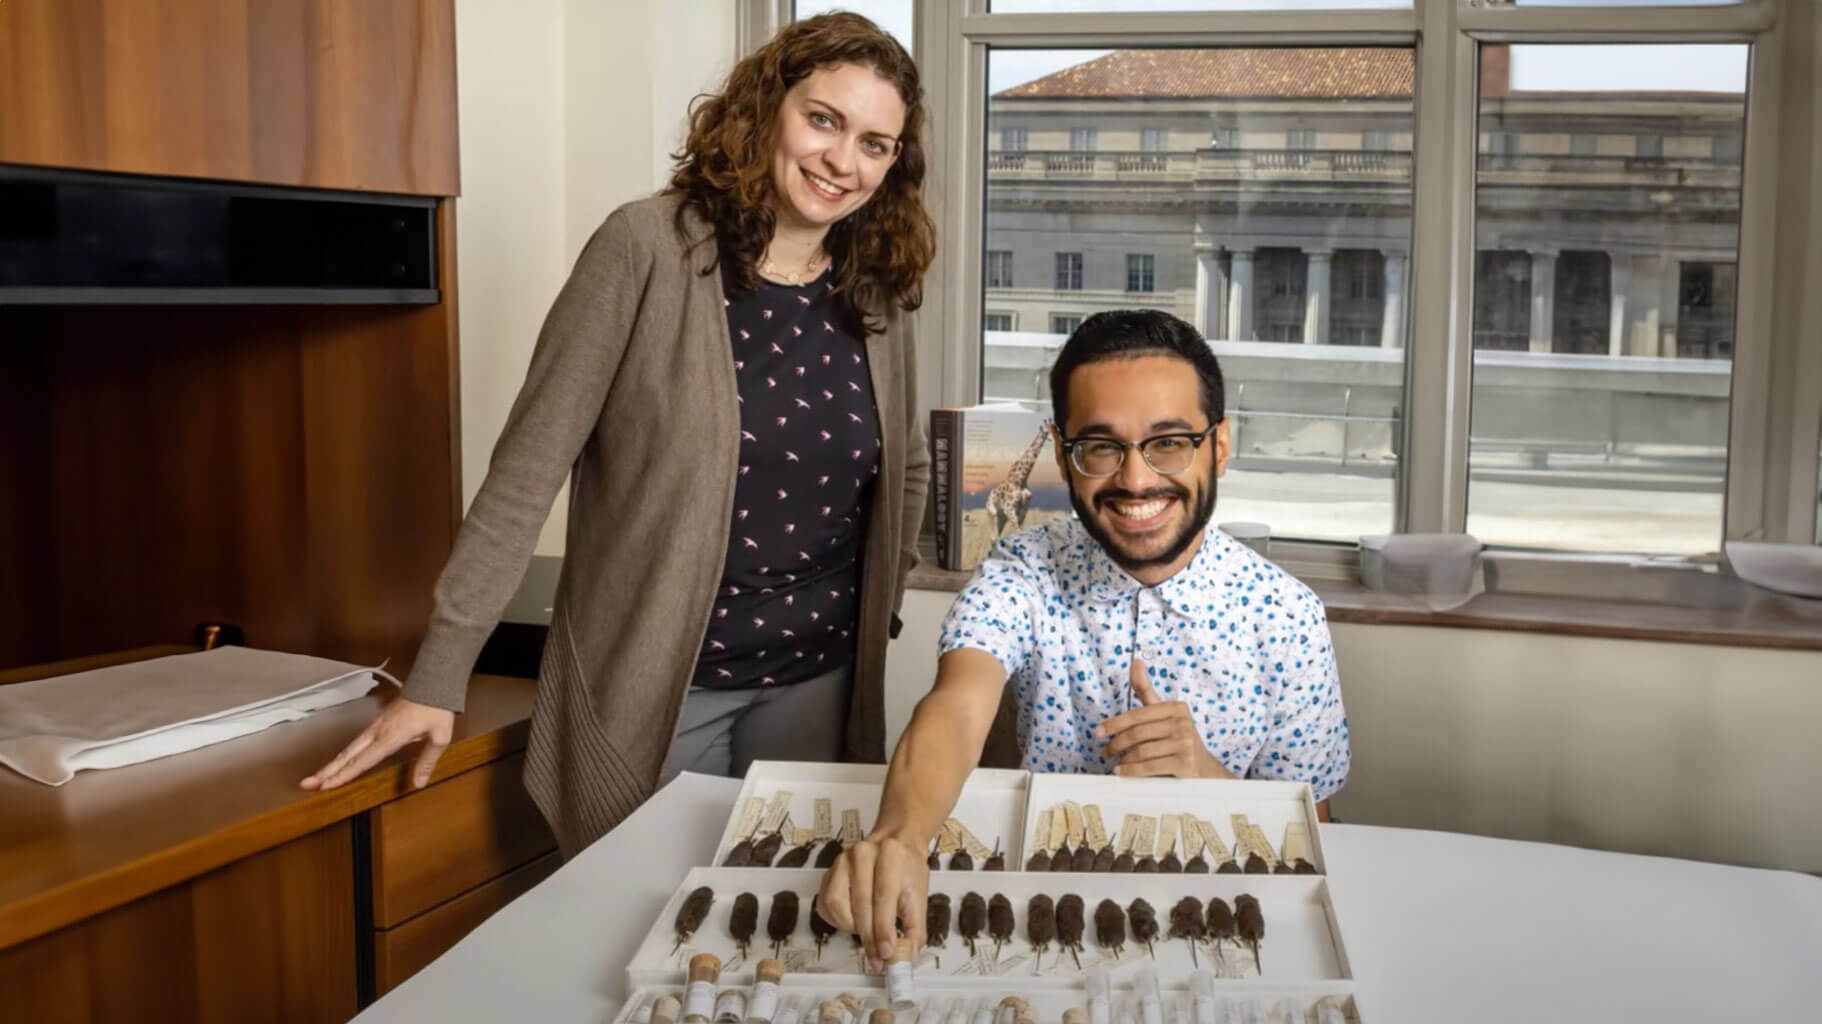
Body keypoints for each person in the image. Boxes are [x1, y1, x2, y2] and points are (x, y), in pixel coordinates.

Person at [301, 12, 936, 857]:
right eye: (823, 119)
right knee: (639, 924)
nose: (842, 161)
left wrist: (879, 609)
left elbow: (910, 466)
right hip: (664, 687)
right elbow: (526, 472)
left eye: (875, 143)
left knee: (779, 937)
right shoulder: (646, 248)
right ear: (766, 108)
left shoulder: (875, 294)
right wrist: (439, 676)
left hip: (818, 682)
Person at [817, 309, 1350, 961]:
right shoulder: (1021, 568)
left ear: (1219, 446)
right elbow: (957, 705)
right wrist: (899, 836)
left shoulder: (1289, 617)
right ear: (1065, 458)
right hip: (1040, 921)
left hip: (1223, 931)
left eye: (1169, 442)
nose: (1134, 479)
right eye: (1101, 447)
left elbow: (1316, 839)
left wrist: (1211, 780)